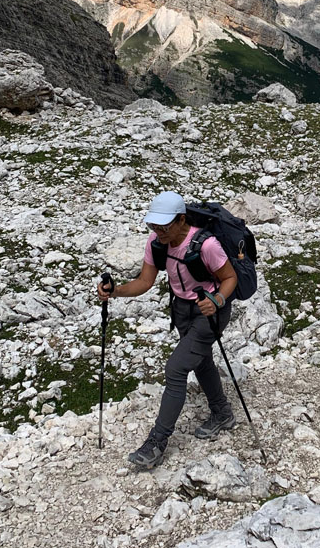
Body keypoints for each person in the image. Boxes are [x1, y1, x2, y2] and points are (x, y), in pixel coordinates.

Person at [97, 191, 238, 471]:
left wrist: (218, 300)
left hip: (209, 312)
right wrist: (116, 292)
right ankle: (222, 413)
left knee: (176, 368)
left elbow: (230, 277)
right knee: (200, 360)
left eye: (164, 226)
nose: (158, 231)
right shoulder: (156, 242)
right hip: (182, 311)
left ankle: (156, 443)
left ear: (181, 220)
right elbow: (145, 281)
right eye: (154, 225)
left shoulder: (207, 245)